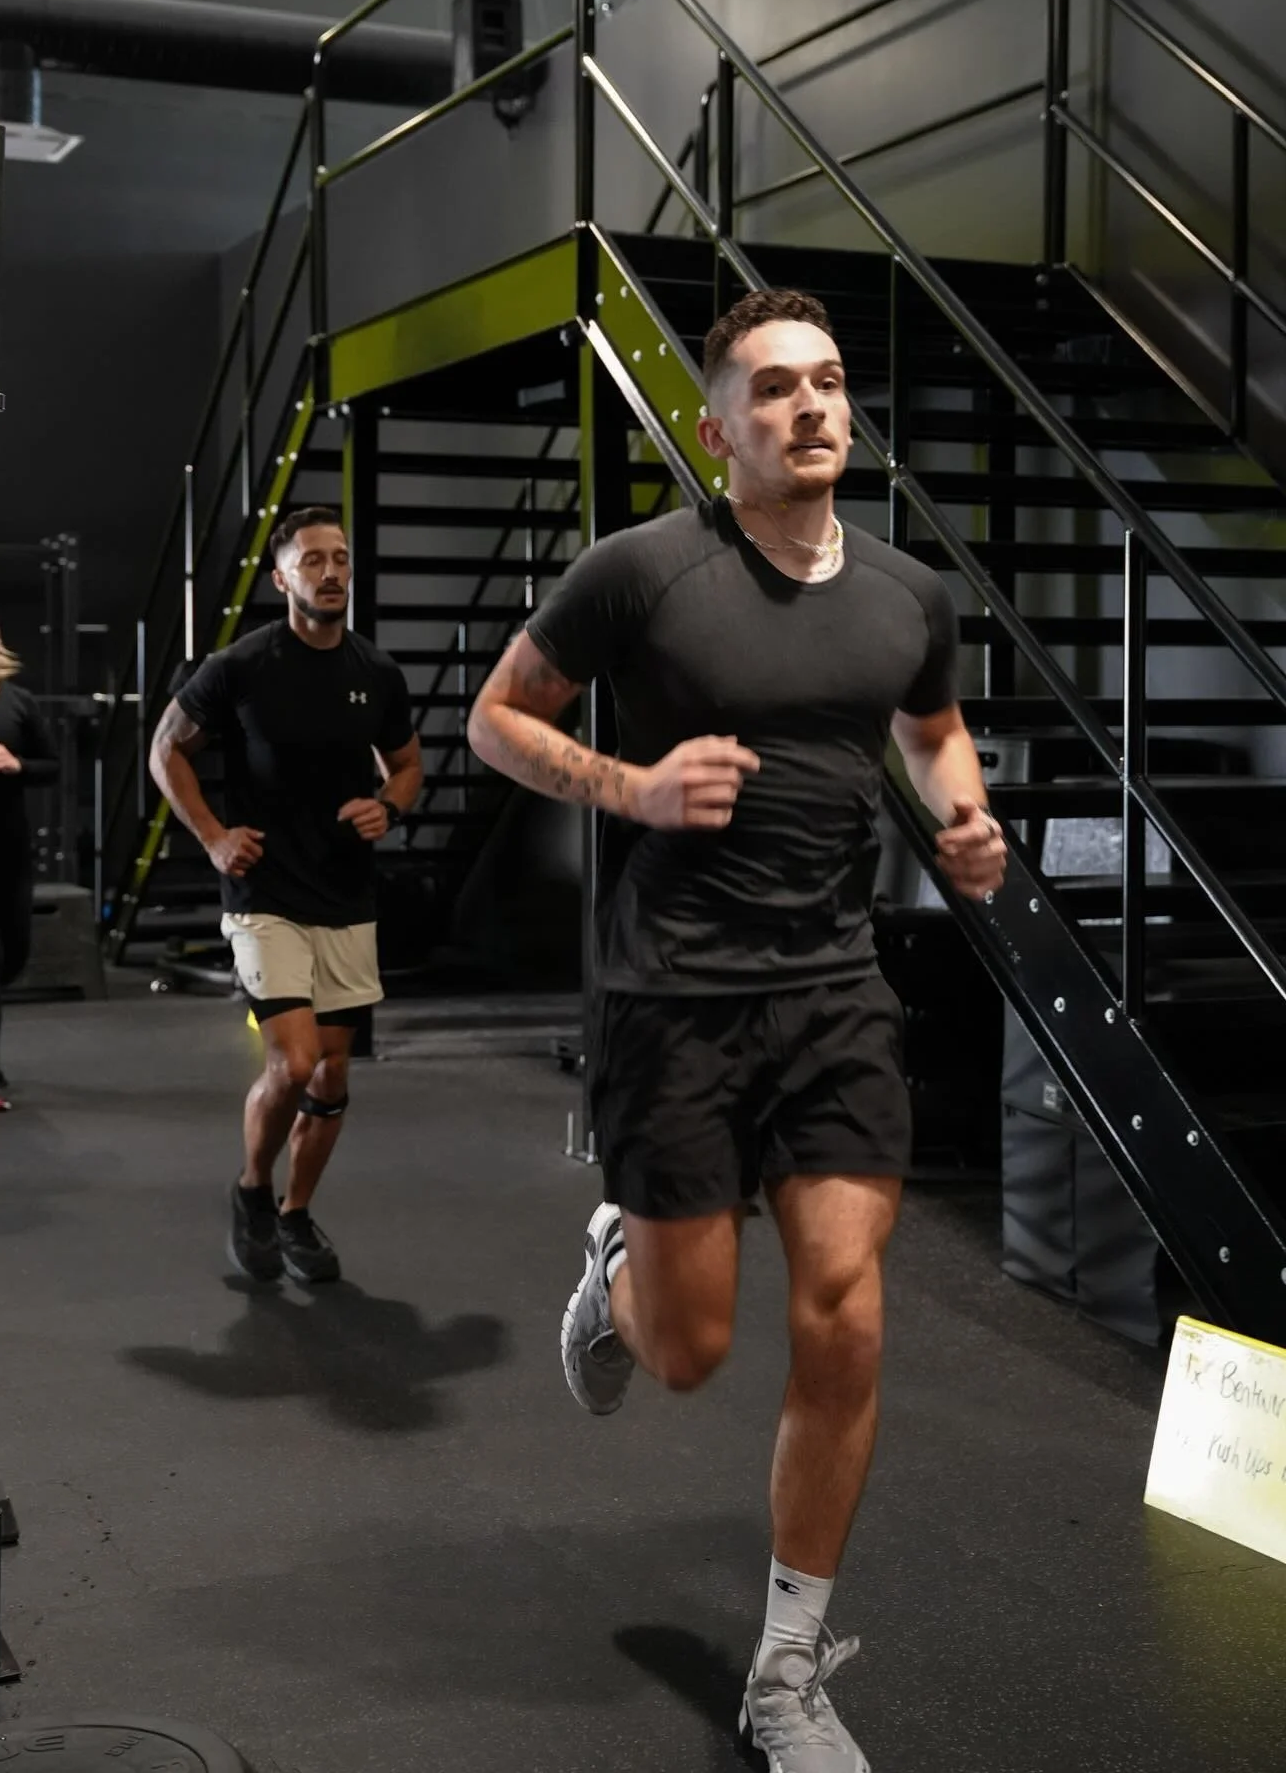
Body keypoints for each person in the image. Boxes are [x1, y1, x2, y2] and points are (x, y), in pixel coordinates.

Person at [468, 289, 1008, 1773]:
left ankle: (784, 1675)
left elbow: (933, 729)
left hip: (835, 993)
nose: (812, 407)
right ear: (717, 432)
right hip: (673, 995)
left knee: (847, 1310)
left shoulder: (909, 594)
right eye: (774, 389)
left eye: (827, 382)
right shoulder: (641, 572)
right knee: (692, 1350)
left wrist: (964, 819)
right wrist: (631, 788)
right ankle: (614, 1277)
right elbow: (498, 720)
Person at [149, 506, 421, 1285]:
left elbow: (407, 765)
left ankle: (296, 1213)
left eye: (340, 559)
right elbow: (166, 750)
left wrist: (390, 806)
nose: (331, 573)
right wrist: (212, 836)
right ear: (281, 578)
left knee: (332, 1075)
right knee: (295, 1063)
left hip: (344, 891)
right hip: (263, 888)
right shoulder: (241, 665)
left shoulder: (376, 673)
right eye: (312, 561)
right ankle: (251, 1190)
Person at [0, 613, 59, 1111]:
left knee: (12, 955)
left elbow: (51, 765)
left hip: (9, 852)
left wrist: (17, 765)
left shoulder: (19, 703)